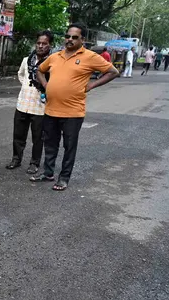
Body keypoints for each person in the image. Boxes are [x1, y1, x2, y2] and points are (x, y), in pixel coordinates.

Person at [33, 23, 119, 191]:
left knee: (69, 146)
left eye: (74, 37)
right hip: (51, 109)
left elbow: (113, 72)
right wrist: (46, 85)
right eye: (67, 36)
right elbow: (40, 70)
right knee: (50, 144)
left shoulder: (90, 56)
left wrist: (92, 85)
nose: (69, 40)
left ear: (82, 39)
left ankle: (64, 178)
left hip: (73, 112)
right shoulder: (55, 56)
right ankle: (48, 173)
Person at [6, 30, 53, 174]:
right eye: (38, 43)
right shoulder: (27, 60)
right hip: (22, 105)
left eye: (44, 44)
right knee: (18, 135)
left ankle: (34, 163)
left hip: (40, 107)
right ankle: (16, 159)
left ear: (50, 45)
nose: (40, 46)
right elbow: (21, 75)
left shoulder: (52, 62)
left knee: (38, 138)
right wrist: (27, 86)